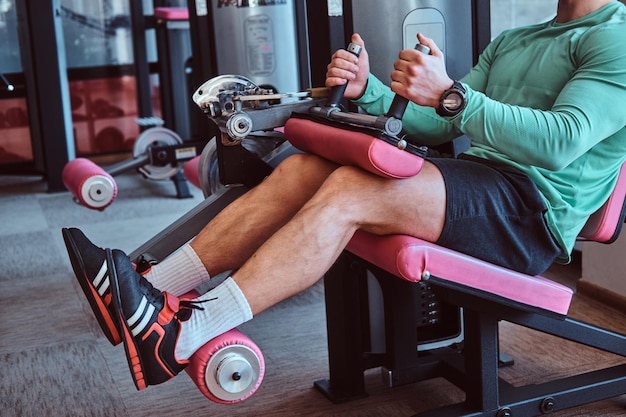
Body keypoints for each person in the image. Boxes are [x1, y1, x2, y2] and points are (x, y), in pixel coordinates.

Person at [63, 0, 626, 391]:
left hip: (530, 212)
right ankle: (151, 290)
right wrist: (373, 91)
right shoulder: (515, 39)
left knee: (353, 188)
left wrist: (453, 95)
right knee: (308, 165)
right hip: (479, 183)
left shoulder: (614, 37)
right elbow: (436, 127)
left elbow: (562, 142)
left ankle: (187, 331)